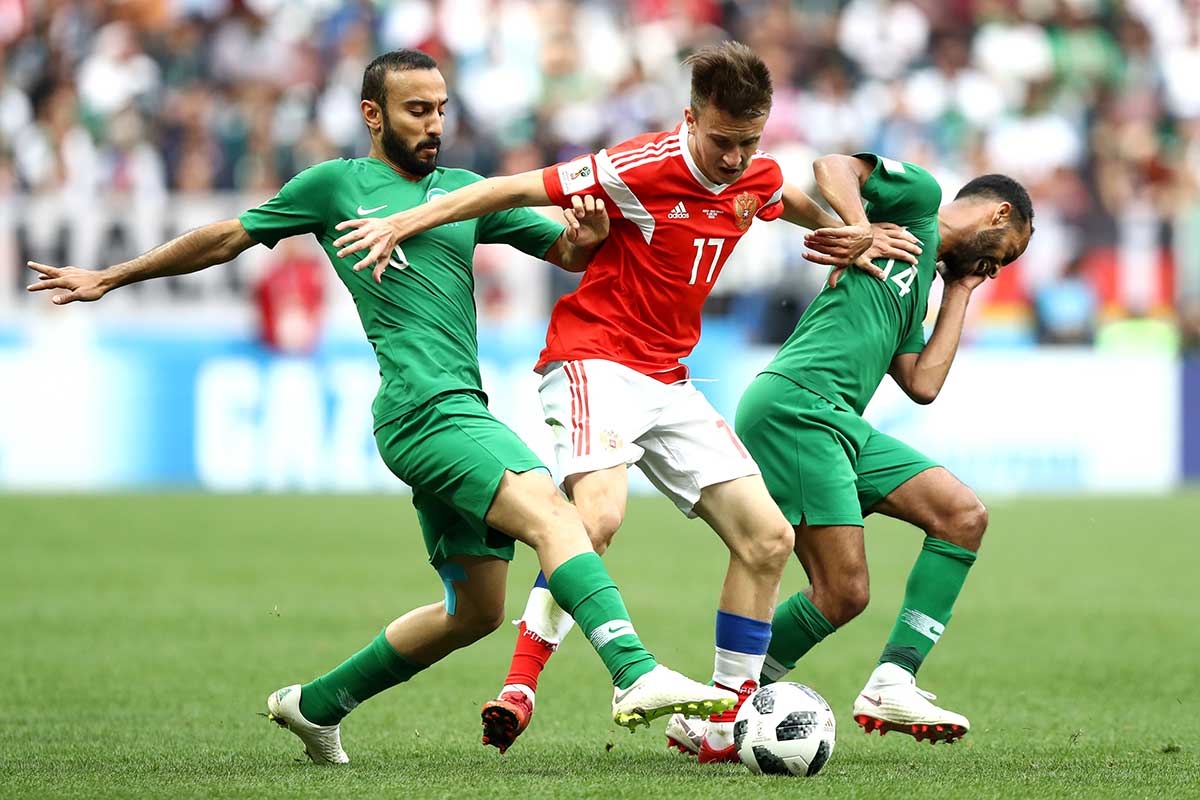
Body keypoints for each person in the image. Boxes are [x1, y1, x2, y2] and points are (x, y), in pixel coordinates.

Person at [25, 48, 736, 766]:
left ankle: (317, 705)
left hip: (453, 408)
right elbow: (229, 237)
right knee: (557, 515)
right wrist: (113, 276)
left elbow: (568, 252)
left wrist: (584, 237)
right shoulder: (338, 186)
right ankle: (635, 671)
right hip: (425, 411)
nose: (434, 125)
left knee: (476, 613)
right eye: (417, 110)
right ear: (373, 115)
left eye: (441, 110)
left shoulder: (463, 192)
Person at [331, 42, 922, 761]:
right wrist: (405, 221)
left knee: (769, 540)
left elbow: (780, 198)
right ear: (690, 118)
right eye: (722, 141)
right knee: (598, 517)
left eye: (749, 141)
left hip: (669, 379)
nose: (736, 158)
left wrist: (849, 237)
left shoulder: (754, 172)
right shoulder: (637, 165)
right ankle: (521, 686)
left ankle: (724, 725)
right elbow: (512, 190)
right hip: (595, 359)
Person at [667, 154, 1033, 753]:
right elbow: (834, 164)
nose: (998, 267)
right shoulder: (916, 201)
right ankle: (718, 715)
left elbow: (923, 383)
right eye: (1006, 250)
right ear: (1000, 213)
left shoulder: (920, 285)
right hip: (798, 406)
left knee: (962, 516)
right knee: (843, 589)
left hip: (839, 421)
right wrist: (859, 224)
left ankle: (893, 679)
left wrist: (961, 289)